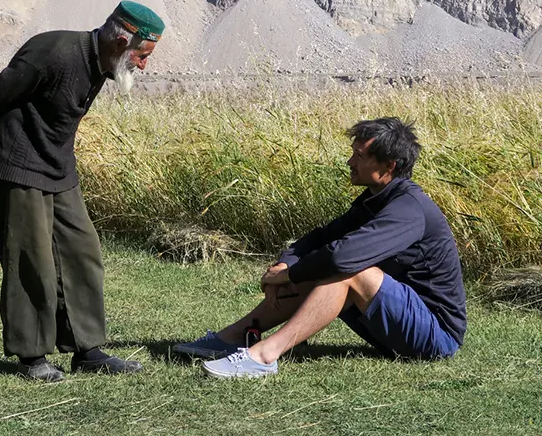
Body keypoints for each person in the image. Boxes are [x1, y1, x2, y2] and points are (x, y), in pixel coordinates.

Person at [0, 1, 164, 382]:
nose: (143, 65)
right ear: (119, 41)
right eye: (141, 55)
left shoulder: (101, 65)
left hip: (58, 167)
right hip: (17, 166)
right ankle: (32, 357)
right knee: (31, 261)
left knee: (81, 251)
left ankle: (88, 349)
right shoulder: (51, 52)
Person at [173, 117, 467, 378]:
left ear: (388, 166)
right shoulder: (375, 200)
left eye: (359, 156)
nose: (350, 162)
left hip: (436, 336)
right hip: (395, 325)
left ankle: (264, 356)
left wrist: (288, 277)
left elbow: (342, 257)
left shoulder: (408, 209)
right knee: (326, 262)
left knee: (349, 271)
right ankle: (233, 337)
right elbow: (321, 238)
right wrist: (286, 265)